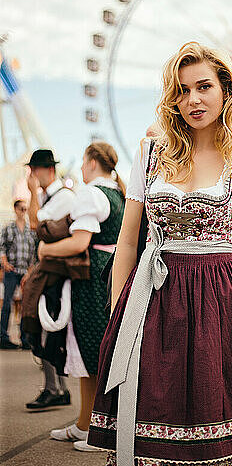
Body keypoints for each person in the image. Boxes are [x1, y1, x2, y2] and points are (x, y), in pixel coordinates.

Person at [88, 42, 232, 466]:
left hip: (222, 302)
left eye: (204, 86)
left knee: (216, 426)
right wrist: (120, 313)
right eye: (183, 90)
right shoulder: (150, 154)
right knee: (152, 419)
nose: (193, 99)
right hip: (153, 297)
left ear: (226, 90)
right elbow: (128, 241)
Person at [35, 142, 125, 452]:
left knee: (92, 350)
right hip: (113, 271)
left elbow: (78, 242)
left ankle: (99, 429)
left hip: (94, 277)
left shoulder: (91, 193)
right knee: (97, 350)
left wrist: (45, 250)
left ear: (89, 162)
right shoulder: (118, 192)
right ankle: (86, 422)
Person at [25, 149, 75, 410]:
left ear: (49, 170)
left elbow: (34, 223)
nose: (32, 175)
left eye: (36, 169)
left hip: (56, 273)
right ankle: (56, 388)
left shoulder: (63, 197)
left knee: (48, 326)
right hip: (50, 270)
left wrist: (32, 192)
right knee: (48, 327)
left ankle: (54, 388)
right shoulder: (51, 197)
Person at [0, 200, 36, 349]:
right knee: (7, 304)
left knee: (25, 305)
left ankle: (25, 338)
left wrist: (31, 270)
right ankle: (3, 337)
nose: (24, 211)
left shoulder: (30, 230)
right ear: (15, 209)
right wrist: (5, 263)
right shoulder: (8, 228)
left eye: (26, 209)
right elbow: (1, 247)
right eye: (21, 208)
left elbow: (33, 251)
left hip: (25, 273)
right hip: (12, 271)